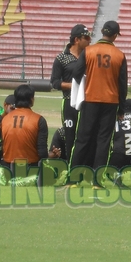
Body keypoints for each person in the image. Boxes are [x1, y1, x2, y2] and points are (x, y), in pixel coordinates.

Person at [70, 20, 128, 175]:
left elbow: (76, 74)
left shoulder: (88, 51)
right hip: (110, 102)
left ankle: (74, 176)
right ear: (115, 36)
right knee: (103, 141)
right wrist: (121, 109)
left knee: (83, 139)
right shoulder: (120, 55)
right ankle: (97, 178)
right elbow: (123, 86)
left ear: (102, 31)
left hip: (90, 99)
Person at [50, 24, 92, 160]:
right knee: (70, 135)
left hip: (88, 103)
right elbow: (55, 82)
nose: (89, 40)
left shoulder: (90, 56)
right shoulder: (61, 58)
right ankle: (70, 166)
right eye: (86, 37)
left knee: (87, 135)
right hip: (70, 102)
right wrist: (75, 86)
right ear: (76, 40)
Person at [1, 84, 58, 167]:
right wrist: (51, 155)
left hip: (7, 167)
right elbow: (42, 153)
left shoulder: (5, 119)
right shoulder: (39, 120)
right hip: (30, 169)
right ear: (31, 99)